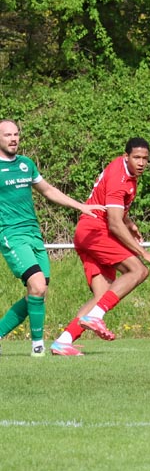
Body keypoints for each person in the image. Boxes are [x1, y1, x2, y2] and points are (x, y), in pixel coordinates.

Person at [50, 137, 150, 356]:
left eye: (145, 158)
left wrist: (128, 222)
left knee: (101, 296)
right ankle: (96, 316)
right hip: (95, 232)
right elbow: (113, 223)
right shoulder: (120, 177)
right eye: (137, 157)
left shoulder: (126, 173)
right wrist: (144, 253)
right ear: (126, 156)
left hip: (88, 232)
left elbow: (114, 210)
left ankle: (63, 342)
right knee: (139, 270)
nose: (141, 162)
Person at [0, 119, 106, 357]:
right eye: (8, 135)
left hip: (34, 234)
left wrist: (81, 206)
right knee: (37, 285)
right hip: (11, 236)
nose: (13, 139)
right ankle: (38, 347)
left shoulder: (26, 164)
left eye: (16, 134)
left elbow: (48, 191)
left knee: (38, 293)